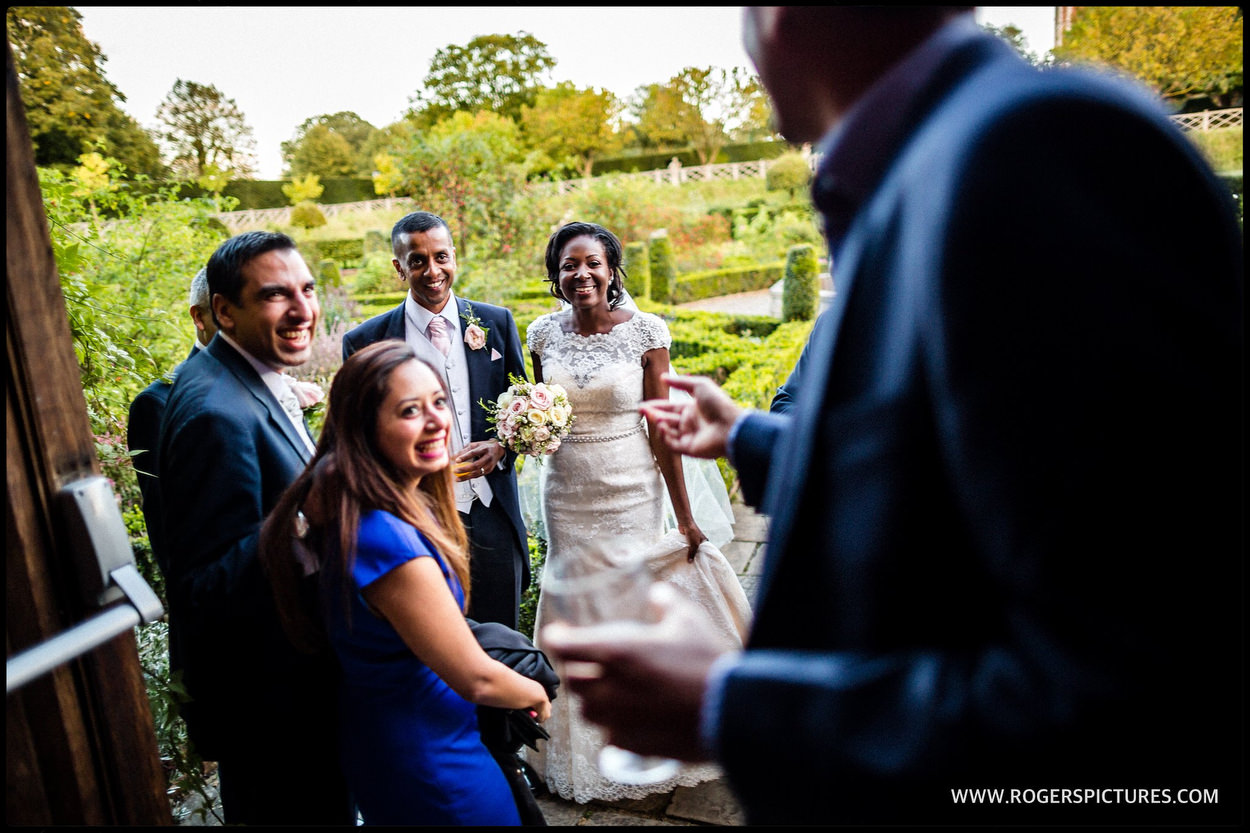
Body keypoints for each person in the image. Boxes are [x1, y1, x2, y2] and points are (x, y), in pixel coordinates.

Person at [541, 7, 1242, 826]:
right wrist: (748, 437)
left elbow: (1140, 682)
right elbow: (956, 462)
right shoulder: (921, 163)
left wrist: (733, 707)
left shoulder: (1044, 149)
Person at [259, 341, 552, 825]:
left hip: (392, 737)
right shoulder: (385, 539)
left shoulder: (354, 505)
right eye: (409, 411)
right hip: (433, 761)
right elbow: (475, 676)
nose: (436, 420)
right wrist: (532, 694)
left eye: (439, 401)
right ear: (365, 426)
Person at [523, 221, 751, 804]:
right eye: (569, 266)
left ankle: (652, 735)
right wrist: (525, 428)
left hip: (631, 492)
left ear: (611, 269)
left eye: (592, 263)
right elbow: (539, 410)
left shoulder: (647, 332)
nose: (581, 275)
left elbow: (665, 432)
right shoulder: (542, 334)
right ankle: (578, 750)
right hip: (567, 495)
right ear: (556, 275)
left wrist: (685, 517)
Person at [157, 231, 354, 825]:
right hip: (272, 707)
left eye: (308, 289)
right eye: (275, 296)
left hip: (294, 689)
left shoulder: (246, 379)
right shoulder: (215, 413)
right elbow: (200, 586)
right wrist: (302, 517)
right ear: (224, 311)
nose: (303, 311)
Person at [341, 211, 531, 631]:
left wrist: (502, 445)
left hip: (491, 512)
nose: (433, 271)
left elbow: (523, 404)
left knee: (505, 641)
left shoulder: (496, 322)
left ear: (454, 257)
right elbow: (359, 442)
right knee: (433, 643)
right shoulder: (365, 342)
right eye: (418, 261)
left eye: (441, 257)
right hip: (416, 519)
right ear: (399, 267)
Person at [127, 267, 217, 576]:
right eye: (226, 310)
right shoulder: (158, 404)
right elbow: (171, 535)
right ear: (199, 317)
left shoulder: (275, 384)